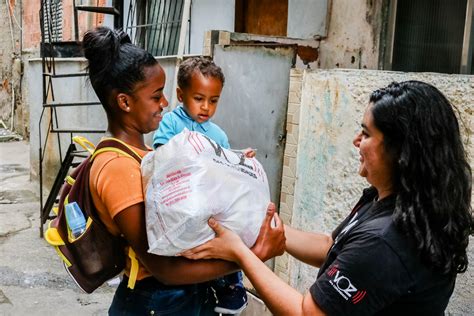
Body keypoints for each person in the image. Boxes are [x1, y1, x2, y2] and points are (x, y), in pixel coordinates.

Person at [182, 80, 473, 315]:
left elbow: (306, 312)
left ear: (401, 151)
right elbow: (330, 246)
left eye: (366, 134)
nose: (356, 142)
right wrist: (256, 216)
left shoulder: (385, 242)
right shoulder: (389, 201)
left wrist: (240, 253)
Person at [82, 26, 285, 315]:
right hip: (155, 301)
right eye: (156, 96)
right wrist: (250, 256)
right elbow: (163, 267)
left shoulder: (146, 155)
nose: (165, 103)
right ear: (125, 102)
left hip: (181, 297)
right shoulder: (117, 166)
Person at [152, 56, 254, 314]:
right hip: (181, 202)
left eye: (214, 100)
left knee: (231, 228)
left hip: (209, 202)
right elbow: (162, 156)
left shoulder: (218, 133)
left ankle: (232, 287)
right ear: (180, 94)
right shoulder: (171, 123)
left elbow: (223, 165)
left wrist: (240, 158)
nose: (206, 107)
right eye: (199, 99)